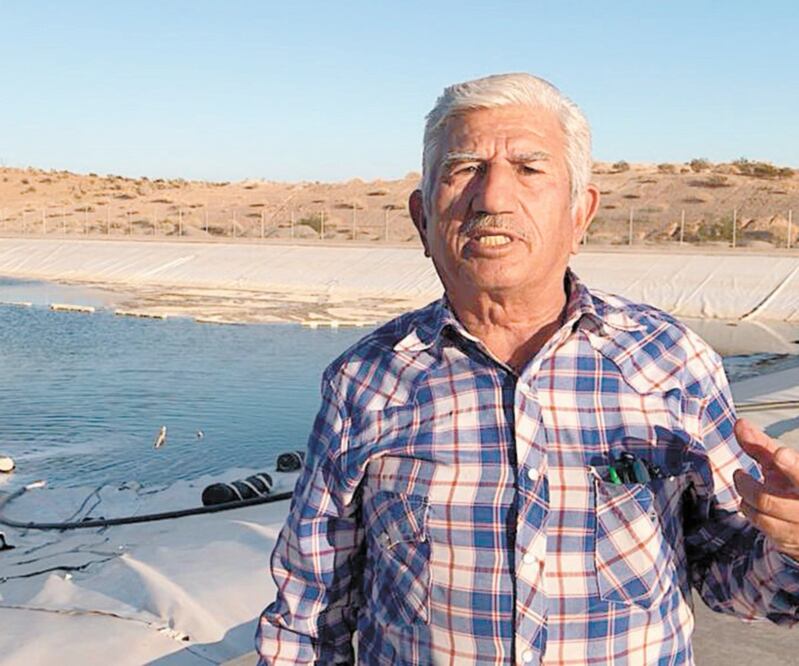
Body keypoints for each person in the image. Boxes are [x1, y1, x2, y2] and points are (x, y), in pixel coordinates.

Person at [256, 73, 799, 665]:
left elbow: (737, 580)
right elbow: (310, 609)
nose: (491, 199)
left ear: (580, 214)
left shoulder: (670, 361)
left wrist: (791, 541)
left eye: (529, 169)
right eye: (464, 169)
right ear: (421, 218)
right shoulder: (365, 380)